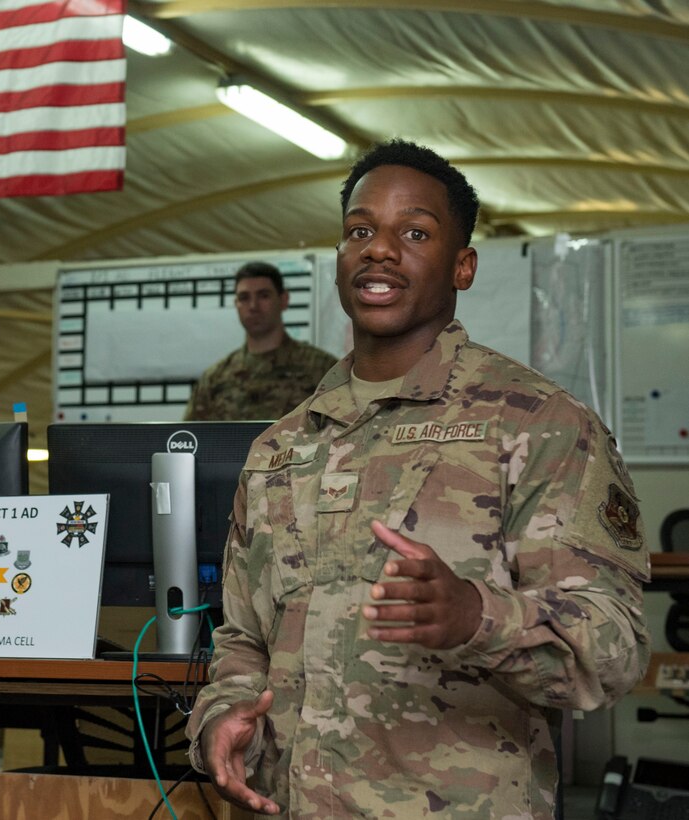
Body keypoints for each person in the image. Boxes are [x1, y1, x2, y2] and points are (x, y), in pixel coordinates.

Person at [186, 140, 650, 818]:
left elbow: (610, 651)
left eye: (414, 232)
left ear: (461, 266)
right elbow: (243, 638)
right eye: (358, 231)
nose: (378, 249)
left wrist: (474, 615)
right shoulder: (279, 448)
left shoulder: (537, 423)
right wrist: (223, 716)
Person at [184, 262, 338, 420]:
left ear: (283, 300)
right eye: (244, 298)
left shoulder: (323, 370)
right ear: (236, 304)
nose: (253, 306)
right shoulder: (214, 380)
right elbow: (193, 439)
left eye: (263, 296)